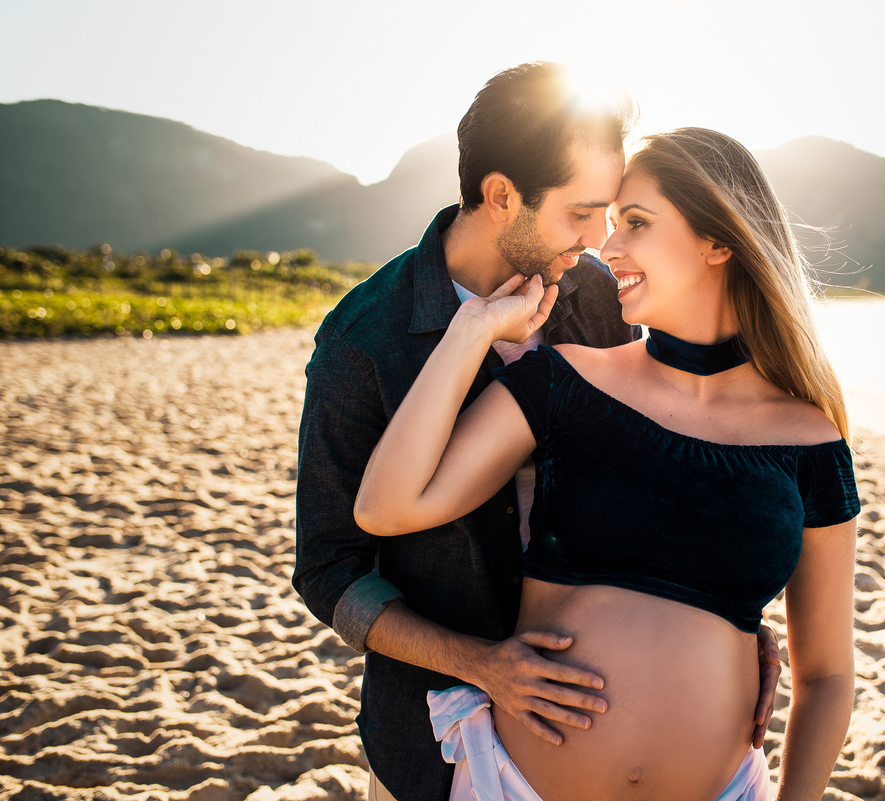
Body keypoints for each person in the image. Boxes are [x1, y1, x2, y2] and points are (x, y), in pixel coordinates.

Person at [293, 64, 782, 801]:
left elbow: (671, 470)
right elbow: (330, 569)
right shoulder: (363, 341)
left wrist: (728, 617)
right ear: (500, 197)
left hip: (600, 725)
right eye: (581, 212)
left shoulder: (599, 297)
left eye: (610, 214)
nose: (596, 240)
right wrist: (483, 662)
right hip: (430, 743)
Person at [355, 127, 860, 801]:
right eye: (612, 223)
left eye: (637, 224)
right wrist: (471, 328)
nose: (607, 246)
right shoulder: (560, 382)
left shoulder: (811, 441)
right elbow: (386, 506)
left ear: (719, 240)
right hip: (512, 786)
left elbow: (826, 673)